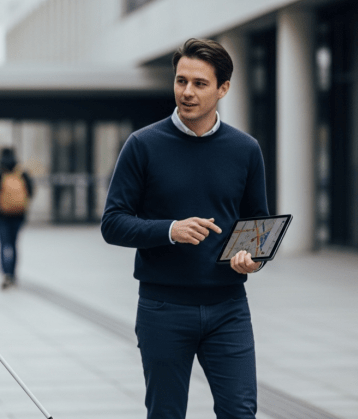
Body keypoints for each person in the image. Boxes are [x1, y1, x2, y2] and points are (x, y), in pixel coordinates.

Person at [101, 38, 268, 418]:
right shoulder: (142, 145)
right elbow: (112, 223)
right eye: (181, 81)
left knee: (240, 411)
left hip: (229, 307)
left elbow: (257, 223)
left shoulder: (245, 149)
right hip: (163, 308)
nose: (187, 92)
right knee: (166, 413)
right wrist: (170, 229)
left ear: (223, 88)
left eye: (199, 83)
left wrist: (251, 258)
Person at [0, 148, 33, 289]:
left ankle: (6, 274)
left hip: (1, 215)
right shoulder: (21, 173)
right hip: (18, 215)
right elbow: (31, 191)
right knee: (14, 243)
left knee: (4, 244)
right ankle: (13, 273)